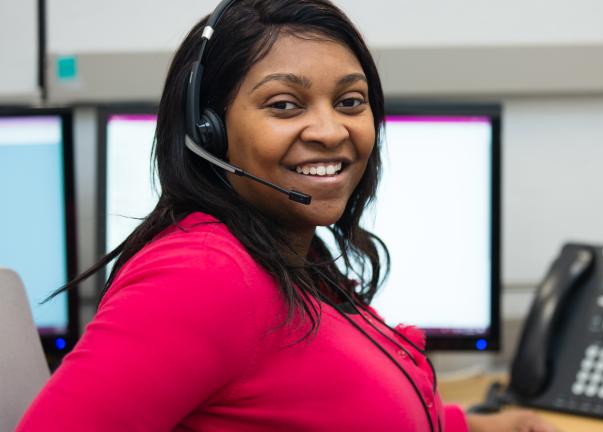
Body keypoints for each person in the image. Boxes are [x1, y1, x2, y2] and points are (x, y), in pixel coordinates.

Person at [18, 1, 556, 431]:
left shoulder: (291, 250)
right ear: (208, 130)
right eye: (284, 105)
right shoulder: (203, 275)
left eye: (350, 102)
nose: (330, 131)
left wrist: (470, 426)